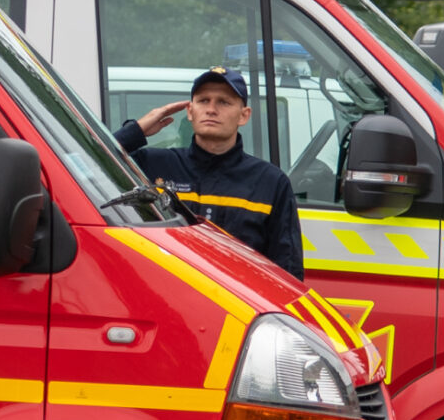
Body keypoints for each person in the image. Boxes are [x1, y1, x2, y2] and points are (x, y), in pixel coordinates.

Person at [115, 68, 305, 278]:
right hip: (166, 303)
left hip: (238, 307)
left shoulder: (271, 182)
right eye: (203, 101)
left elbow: (288, 273)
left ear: (244, 115)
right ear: (190, 111)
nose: (211, 109)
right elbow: (83, 171)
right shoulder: (151, 165)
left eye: (224, 102)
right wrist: (136, 131)